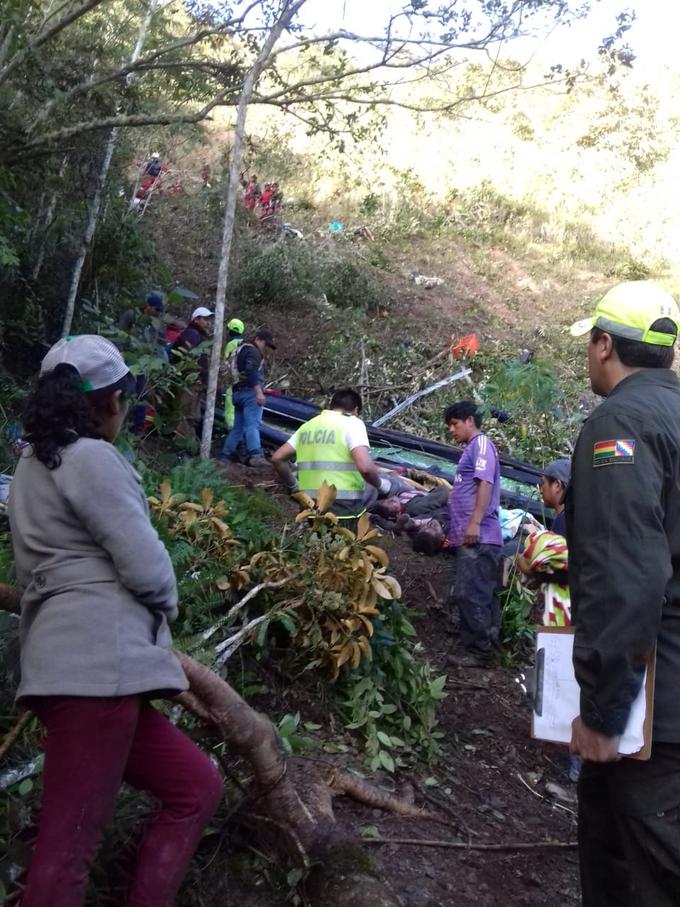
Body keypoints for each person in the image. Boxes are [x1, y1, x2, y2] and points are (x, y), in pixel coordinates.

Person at [8, 335, 223, 907]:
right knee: (69, 851)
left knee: (194, 786)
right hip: (97, 670)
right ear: (109, 401)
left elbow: (34, 568)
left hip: (75, 669)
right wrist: (166, 607)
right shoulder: (93, 459)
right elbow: (146, 563)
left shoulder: (31, 466)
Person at [566, 280, 680, 907]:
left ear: (605, 345)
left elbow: (628, 576)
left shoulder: (621, 423)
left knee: (642, 876)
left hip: (655, 718)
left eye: (590, 343)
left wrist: (606, 712)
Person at [271, 388, 389, 523]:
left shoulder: (309, 426)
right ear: (355, 410)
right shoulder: (352, 423)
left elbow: (277, 458)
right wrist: (381, 486)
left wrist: (294, 486)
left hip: (310, 506)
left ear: (331, 406)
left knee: (317, 542)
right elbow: (365, 467)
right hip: (342, 506)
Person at [445, 400, 503, 666]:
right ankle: (487, 643)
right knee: (481, 592)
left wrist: (474, 523)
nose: (452, 431)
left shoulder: (480, 445)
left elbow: (485, 483)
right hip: (475, 536)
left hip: (480, 536)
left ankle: (480, 651)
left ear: (469, 420)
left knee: (471, 593)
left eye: (455, 424)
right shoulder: (472, 449)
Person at [517, 458, 571, 626]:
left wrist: (526, 565)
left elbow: (563, 568)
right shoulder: (572, 518)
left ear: (557, 485)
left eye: (543, 484)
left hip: (565, 614)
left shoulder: (565, 521)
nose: (540, 490)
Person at [219, 329, 276, 467]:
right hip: (250, 393)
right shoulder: (253, 352)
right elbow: (250, 371)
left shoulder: (241, 349)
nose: (266, 348)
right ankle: (256, 455)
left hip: (237, 392)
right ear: (258, 339)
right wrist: (258, 392)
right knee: (253, 424)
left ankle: (224, 458)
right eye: (265, 344)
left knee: (238, 428)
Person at [117, 291, 167, 434]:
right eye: (156, 309)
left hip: (146, 365)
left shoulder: (157, 324)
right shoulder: (132, 316)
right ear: (148, 306)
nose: (158, 313)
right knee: (128, 393)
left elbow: (161, 344)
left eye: (160, 310)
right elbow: (119, 334)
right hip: (129, 362)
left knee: (142, 396)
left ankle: (137, 430)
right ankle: (122, 426)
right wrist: (120, 354)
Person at [170, 306, 214, 436]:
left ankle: (187, 442)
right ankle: (182, 442)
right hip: (190, 380)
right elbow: (190, 359)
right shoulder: (191, 334)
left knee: (193, 414)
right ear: (196, 320)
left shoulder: (198, 335)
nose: (207, 322)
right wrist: (195, 377)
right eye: (205, 319)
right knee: (187, 413)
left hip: (196, 380)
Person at [222, 317, 245, 432]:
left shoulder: (231, 344)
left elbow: (226, 364)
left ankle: (231, 430)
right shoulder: (246, 344)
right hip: (244, 382)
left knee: (230, 407)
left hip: (233, 382)